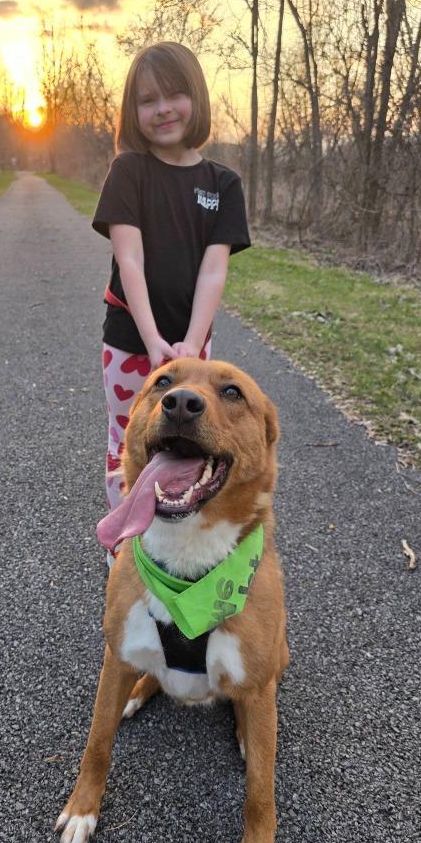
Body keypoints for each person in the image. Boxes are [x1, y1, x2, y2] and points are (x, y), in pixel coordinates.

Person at [92, 41, 251, 534]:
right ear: (133, 111)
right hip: (129, 341)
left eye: (174, 94)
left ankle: (175, 537)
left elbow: (213, 271)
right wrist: (152, 340)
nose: (162, 109)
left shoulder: (223, 184)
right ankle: (125, 543)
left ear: (196, 98)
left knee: (191, 442)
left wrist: (192, 346)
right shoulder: (128, 172)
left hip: (192, 350)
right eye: (147, 100)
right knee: (129, 440)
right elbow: (130, 260)